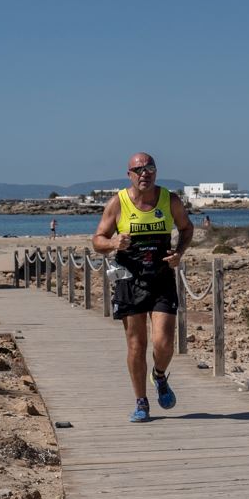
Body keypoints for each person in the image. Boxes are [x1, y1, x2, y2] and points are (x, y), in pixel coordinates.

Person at [92, 153, 193, 422]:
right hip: (130, 279)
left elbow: (186, 228)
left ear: (156, 172)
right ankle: (141, 402)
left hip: (161, 278)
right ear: (129, 175)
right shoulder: (118, 203)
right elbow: (98, 239)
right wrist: (114, 244)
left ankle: (159, 375)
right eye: (138, 169)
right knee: (136, 344)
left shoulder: (169, 199)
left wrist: (179, 253)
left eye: (149, 168)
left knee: (164, 343)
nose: (144, 173)